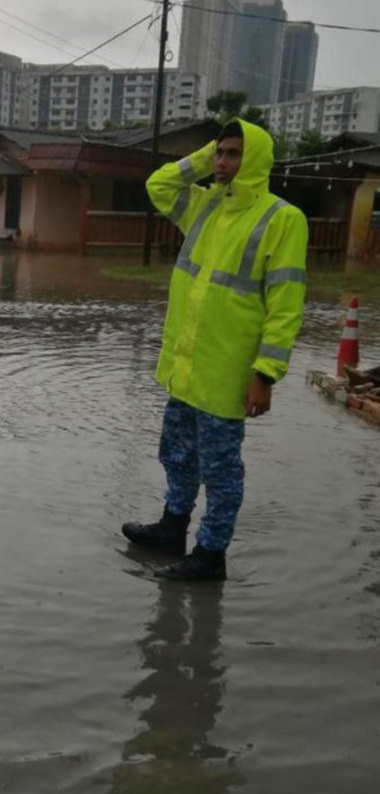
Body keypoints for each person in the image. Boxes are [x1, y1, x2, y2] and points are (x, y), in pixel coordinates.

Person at [122, 119, 308, 580]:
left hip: (228, 374)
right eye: (220, 153)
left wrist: (265, 374)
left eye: (233, 154)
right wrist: (204, 159)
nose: (223, 162)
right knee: (177, 454)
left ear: (257, 160)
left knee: (222, 472)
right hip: (186, 368)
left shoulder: (282, 219)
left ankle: (210, 555)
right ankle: (173, 526)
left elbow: (286, 305)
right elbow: (158, 184)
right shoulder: (205, 206)